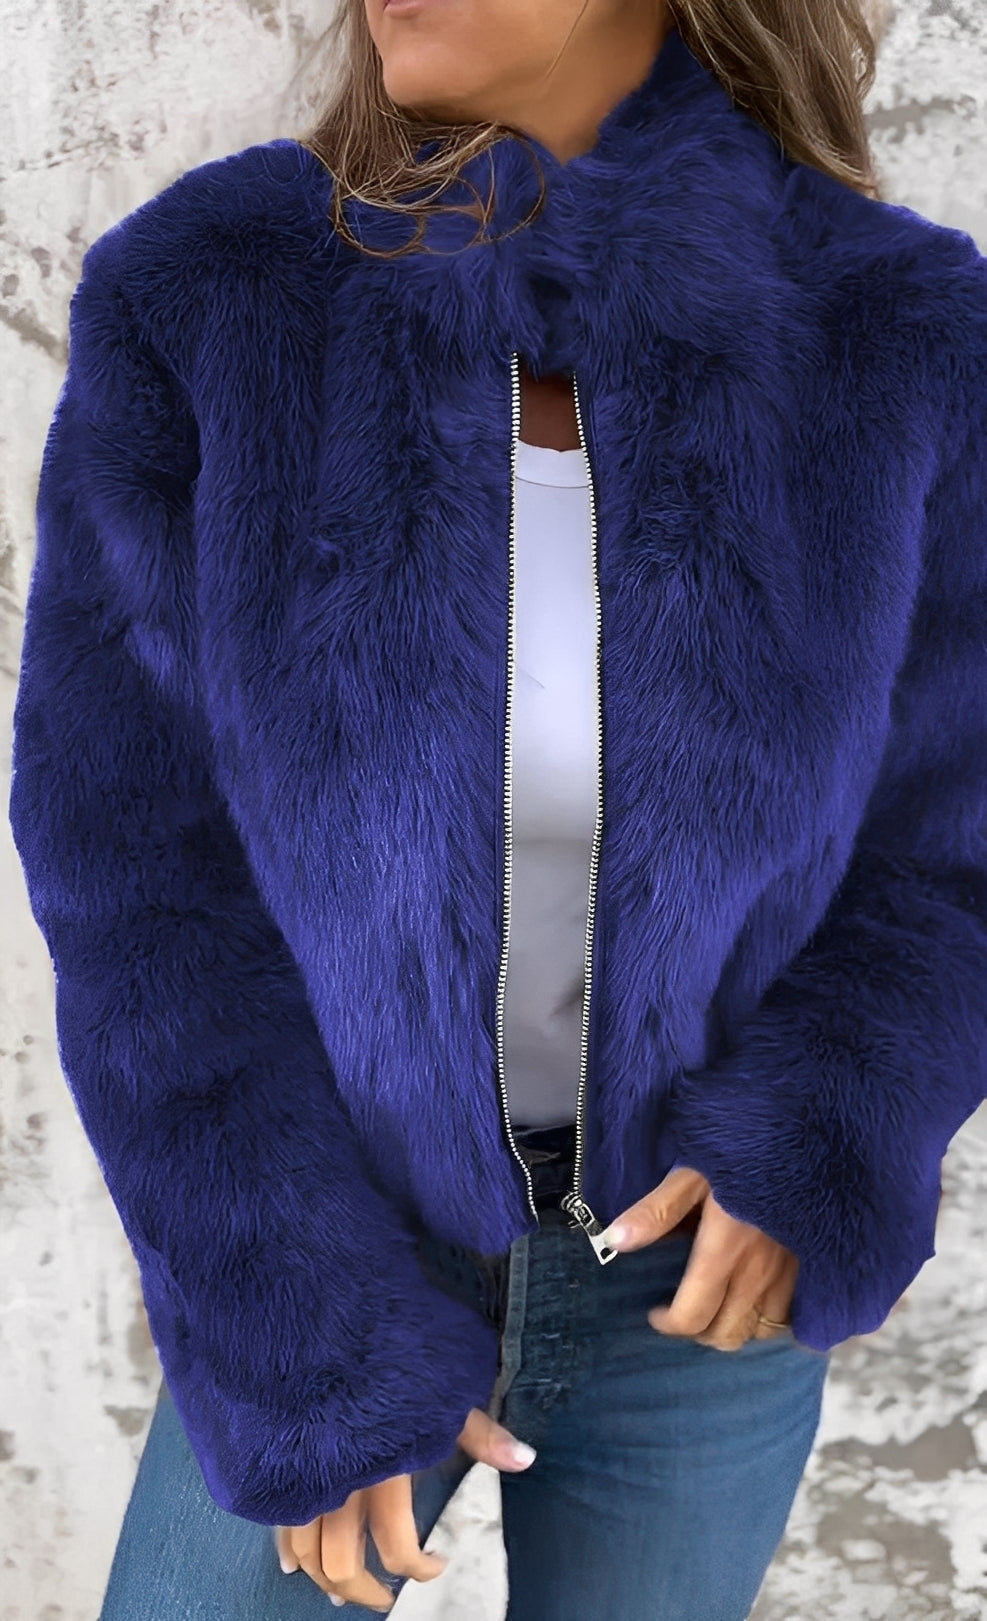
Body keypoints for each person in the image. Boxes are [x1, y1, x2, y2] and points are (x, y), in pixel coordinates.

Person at [9, 0, 987, 1617]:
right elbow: (133, 873)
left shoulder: (900, 334)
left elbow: (956, 841)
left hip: (698, 1298)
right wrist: (299, 1337)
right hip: (330, 1253)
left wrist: (823, 1129)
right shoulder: (213, 300)